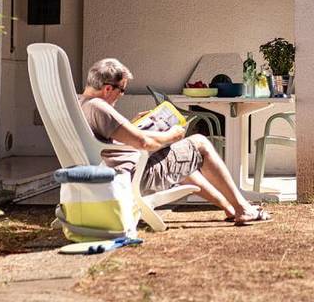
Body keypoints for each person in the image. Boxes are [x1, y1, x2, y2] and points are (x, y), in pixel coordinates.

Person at [79, 58, 271, 225]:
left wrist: (132, 125)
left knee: (179, 158)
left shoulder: (82, 104)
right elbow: (144, 144)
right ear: (107, 88)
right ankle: (243, 208)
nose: (121, 95)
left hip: (116, 169)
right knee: (199, 143)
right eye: (122, 90)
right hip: (131, 176)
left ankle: (231, 207)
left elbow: (110, 140)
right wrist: (173, 135)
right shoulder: (99, 107)